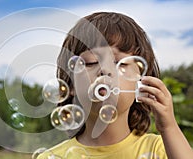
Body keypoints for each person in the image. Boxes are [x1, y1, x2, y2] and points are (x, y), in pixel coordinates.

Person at [37, 12, 193, 159]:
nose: (105, 70)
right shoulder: (53, 157)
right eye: (91, 62)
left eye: (119, 62)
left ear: (141, 81)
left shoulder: (161, 149)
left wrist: (169, 127)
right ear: (70, 86)